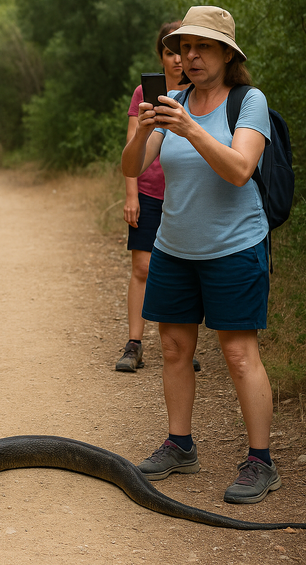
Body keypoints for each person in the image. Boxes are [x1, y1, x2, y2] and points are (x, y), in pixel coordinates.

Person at [121, 6, 277, 504]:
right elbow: (130, 166)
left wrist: (189, 128)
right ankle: (180, 445)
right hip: (174, 247)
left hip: (235, 246)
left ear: (227, 54)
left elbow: (239, 169)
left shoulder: (248, 102)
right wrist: (144, 130)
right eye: (184, 47)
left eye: (202, 47)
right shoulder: (174, 102)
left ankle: (260, 461)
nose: (190, 56)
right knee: (173, 349)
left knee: (238, 354)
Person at [116, 21, 200, 375]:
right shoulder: (144, 93)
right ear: (161, 56)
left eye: (181, 51)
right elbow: (132, 146)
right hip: (149, 192)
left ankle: (183, 344)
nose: (177, 59)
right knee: (142, 268)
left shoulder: (199, 93)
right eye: (169, 52)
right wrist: (131, 195)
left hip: (185, 195)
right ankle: (134, 344)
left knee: (186, 269)